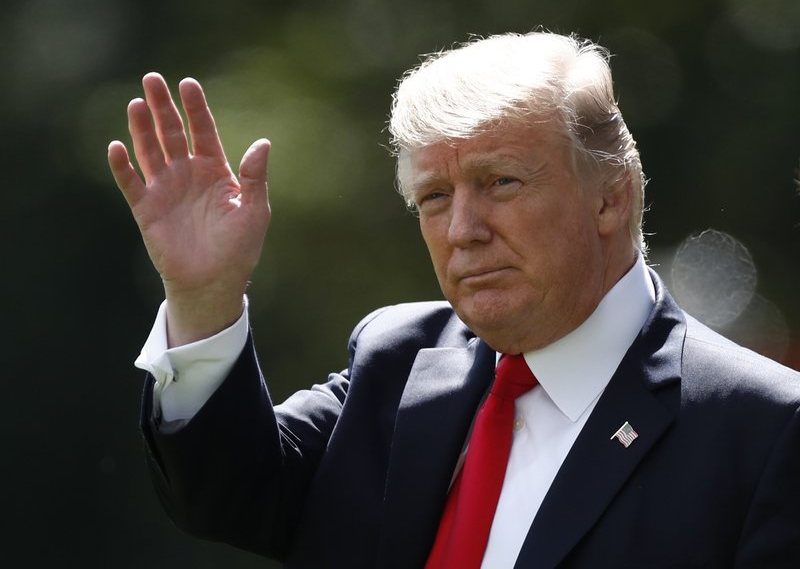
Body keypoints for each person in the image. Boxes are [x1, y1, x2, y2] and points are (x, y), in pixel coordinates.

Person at [109, 32, 800, 568]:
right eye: (435, 197)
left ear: (609, 197)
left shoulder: (762, 431)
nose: (463, 230)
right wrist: (203, 298)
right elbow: (225, 492)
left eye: (500, 182)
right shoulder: (397, 361)